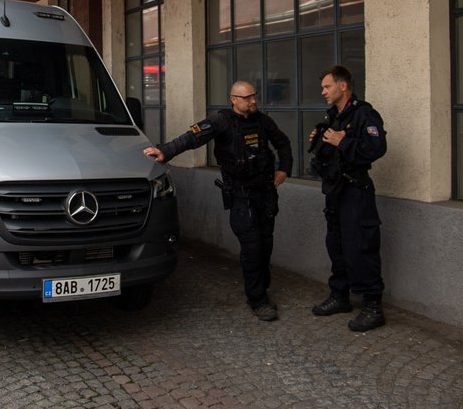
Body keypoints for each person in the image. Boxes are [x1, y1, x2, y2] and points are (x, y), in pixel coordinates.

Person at [144, 80, 292, 321]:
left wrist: (284, 169)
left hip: (265, 195)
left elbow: (283, 142)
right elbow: (191, 138)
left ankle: (261, 288)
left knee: (265, 245)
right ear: (233, 99)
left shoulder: (263, 121)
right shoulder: (220, 121)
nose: (253, 101)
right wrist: (166, 151)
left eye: (254, 96)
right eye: (247, 98)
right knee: (252, 247)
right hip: (242, 197)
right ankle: (258, 299)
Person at [306, 65, 388, 331]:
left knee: (361, 247)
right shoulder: (334, 116)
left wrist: (343, 141)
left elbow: (376, 149)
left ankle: (373, 307)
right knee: (336, 244)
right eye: (323, 88)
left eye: (327, 86)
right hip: (335, 190)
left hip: (356, 191)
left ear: (343, 86)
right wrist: (320, 140)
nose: (323, 92)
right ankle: (340, 296)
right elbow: (332, 151)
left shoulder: (364, 114)